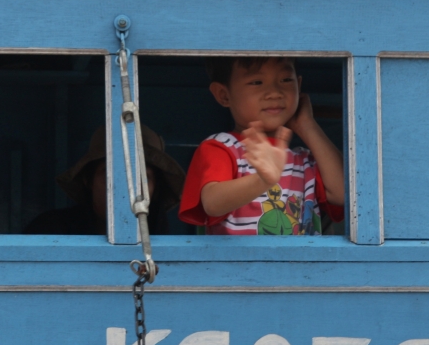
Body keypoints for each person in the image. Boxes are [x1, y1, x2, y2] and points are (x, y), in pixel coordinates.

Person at [179, 56, 344, 235]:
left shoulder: (305, 160)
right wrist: (262, 180)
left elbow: (344, 194)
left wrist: (307, 125)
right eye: (257, 82)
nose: (275, 93)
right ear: (224, 95)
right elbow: (213, 203)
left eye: (286, 80)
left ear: (298, 85)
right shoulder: (221, 147)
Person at [24, 126, 185, 236]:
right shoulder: (50, 230)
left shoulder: (162, 238)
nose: (126, 188)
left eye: (142, 177)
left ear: (155, 189)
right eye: (112, 174)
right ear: (88, 180)